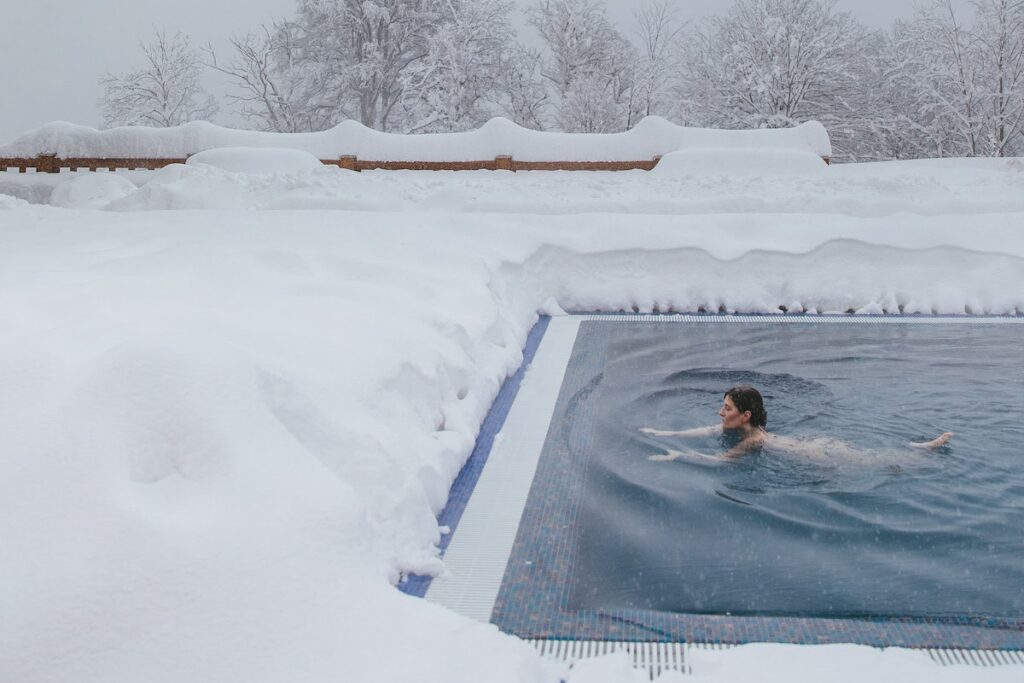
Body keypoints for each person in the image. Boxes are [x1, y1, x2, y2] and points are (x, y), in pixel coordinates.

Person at [640, 385, 953, 462]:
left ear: (745, 416)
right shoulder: (745, 430)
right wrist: (663, 433)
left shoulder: (754, 441)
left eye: (726, 408)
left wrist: (678, 455)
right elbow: (704, 431)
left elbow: (720, 460)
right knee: (876, 457)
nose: (720, 413)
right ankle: (919, 448)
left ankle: (923, 450)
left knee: (878, 461)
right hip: (813, 448)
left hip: (822, 456)